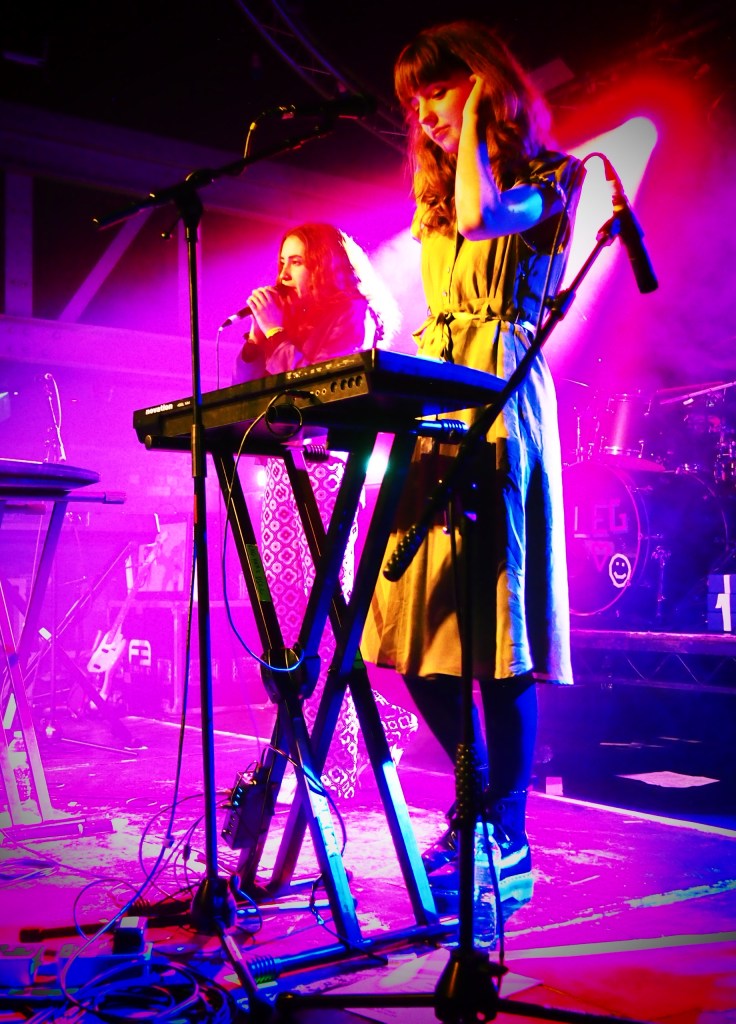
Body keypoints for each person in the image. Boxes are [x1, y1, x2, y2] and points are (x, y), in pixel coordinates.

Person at [360, 21, 584, 903]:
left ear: (486, 83)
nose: (423, 114)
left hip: (501, 394)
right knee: (407, 625)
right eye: (413, 101)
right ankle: (478, 800)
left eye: (439, 91)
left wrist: (485, 108)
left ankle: (509, 834)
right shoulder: (434, 202)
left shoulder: (549, 180)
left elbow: (487, 217)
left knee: (498, 632)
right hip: (436, 396)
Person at [232, 222, 415, 800]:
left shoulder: (351, 314)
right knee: (283, 615)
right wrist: (258, 340)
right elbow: (248, 394)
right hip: (282, 473)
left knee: (320, 613)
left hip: (326, 472)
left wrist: (277, 334)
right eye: (281, 262)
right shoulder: (293, 320)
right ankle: (319, 743)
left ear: (325, 263)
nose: (283, 273)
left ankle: (332, 754)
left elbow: (320, 391)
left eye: (296, 261)